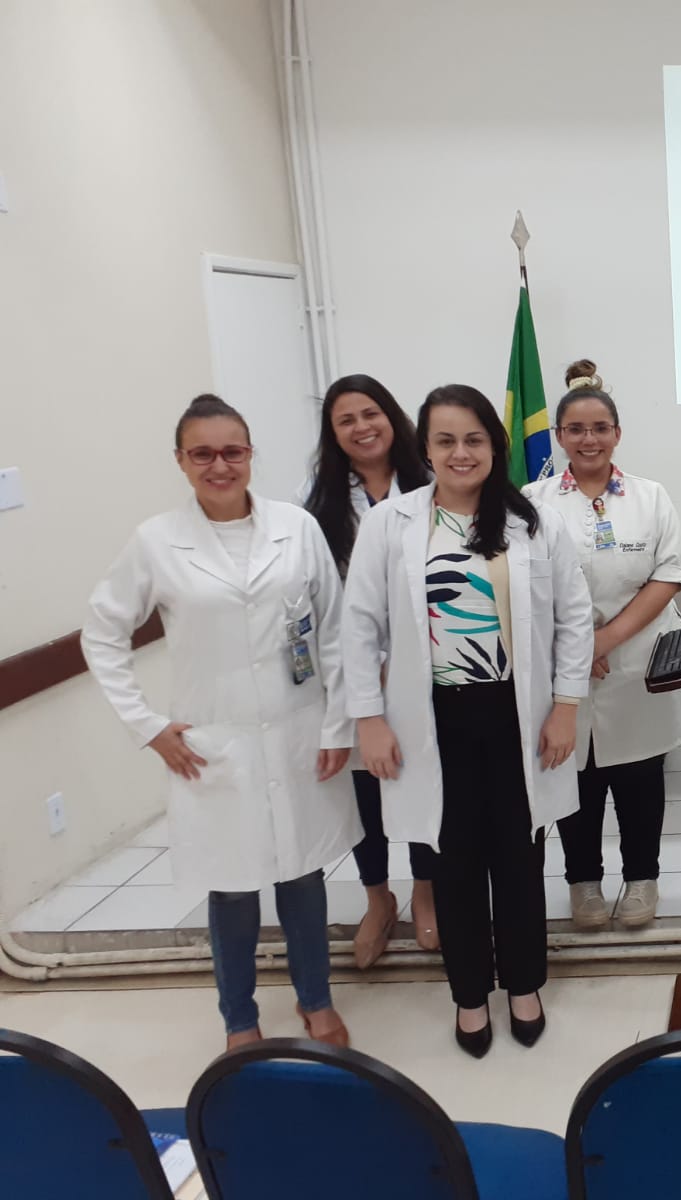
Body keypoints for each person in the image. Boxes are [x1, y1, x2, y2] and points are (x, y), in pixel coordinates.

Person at [82, 395, 356, 1050]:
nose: (220, 464)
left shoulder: (296, 527)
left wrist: (337, 723)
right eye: (202, 452)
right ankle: (240, 1019)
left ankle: (315, 1002)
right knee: (231, 889)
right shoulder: (156, 540)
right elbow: (102, 631)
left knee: (302, 875)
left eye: (232, 450)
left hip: (298, 729)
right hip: (213, 742)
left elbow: (338, 631)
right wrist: (147, 726)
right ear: (180, 460)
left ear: (251, 454)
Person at [342, 384, 592, 1057]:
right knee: (448, 863)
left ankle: (524, 985)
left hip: (518, 714)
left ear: (494, 447)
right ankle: (469, 996)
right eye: (446, 440)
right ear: (424, 448)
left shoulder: (533, 523)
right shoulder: (390, 524)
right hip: (432, 719)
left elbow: (573, 616)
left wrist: (566, 705)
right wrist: (368, 717)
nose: (461, 452)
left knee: (519, 855)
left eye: (474, 439)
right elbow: (358, 626)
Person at [524, 360, 681, 932]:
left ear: (617, 433)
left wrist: (600, 640)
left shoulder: (650, 496)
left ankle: (642, 879)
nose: (589, 439)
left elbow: (666, 576)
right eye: (576, 429)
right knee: (577, 779)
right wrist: (573, 649)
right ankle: (583, 883)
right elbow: (523, 586)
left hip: (639, 661)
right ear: (560, 437)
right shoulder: (532, 501)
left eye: (600, 428)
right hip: (565, 667)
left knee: (641, 777)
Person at [304, 373, 439, 966]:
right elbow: (324, 602)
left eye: (370, 414)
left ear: (392, 417)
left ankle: (427, 894)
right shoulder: (322, 508)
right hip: (354, 674)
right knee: (366, 790)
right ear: (334, 436)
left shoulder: (435, 486)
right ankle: (378, 898)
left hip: (425, 670)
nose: (361, 427)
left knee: (425, 782)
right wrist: (366, 674)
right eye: (346, 421)